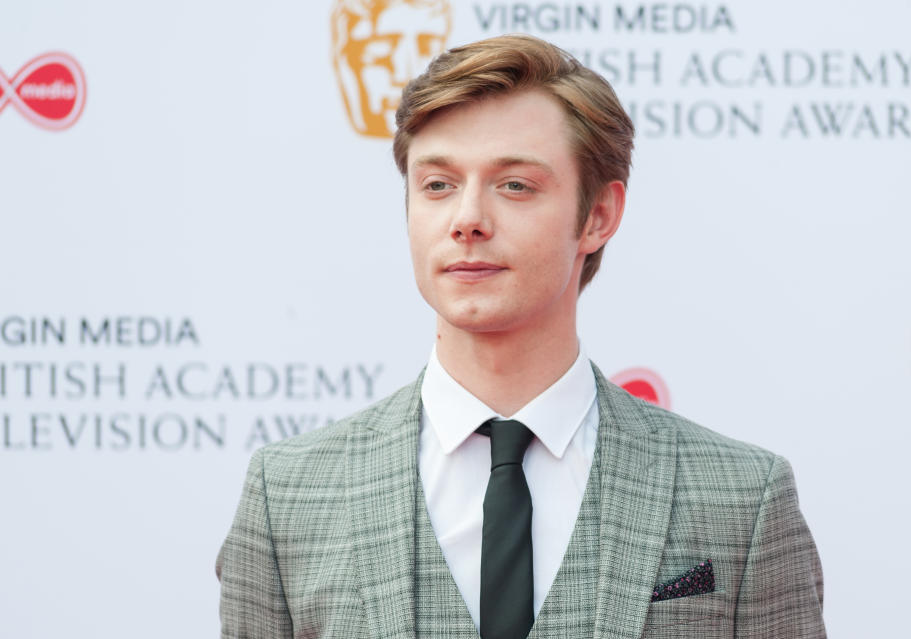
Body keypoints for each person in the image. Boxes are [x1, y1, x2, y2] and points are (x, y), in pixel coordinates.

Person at [217, 34, 826, 638]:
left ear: (598, 217)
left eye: (514, 185)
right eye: (437, 185)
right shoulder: (288, 496)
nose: (467, 221)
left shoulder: (743, 499)